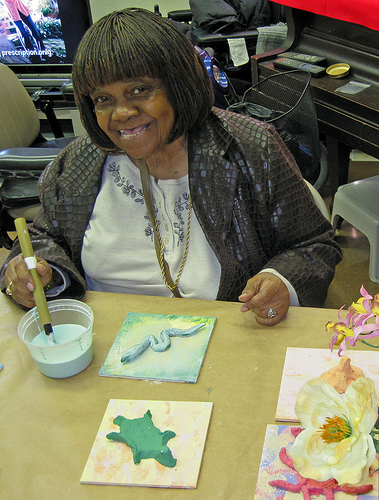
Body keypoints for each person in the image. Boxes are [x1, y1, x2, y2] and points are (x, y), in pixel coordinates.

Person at [0, 8, 342, 326]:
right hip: (105, 341)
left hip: (226, 335)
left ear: (178, 85)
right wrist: (40, 271)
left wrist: (281, 281)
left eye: (140, 90)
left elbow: (315, 245)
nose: (121, 114)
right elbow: (45, 237)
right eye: (103, 99)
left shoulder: (252, 148)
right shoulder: (81, 161)